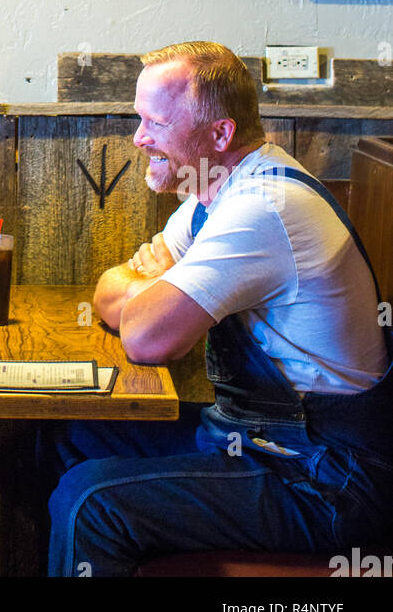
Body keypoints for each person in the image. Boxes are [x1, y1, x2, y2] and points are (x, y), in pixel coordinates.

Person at [43, 41, 392, 577]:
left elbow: (146, 337)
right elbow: (109, 292)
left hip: (326, 477)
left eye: (154, 123)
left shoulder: (263, 207)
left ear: (220, 134)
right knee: (66, 431)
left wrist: (158, 290)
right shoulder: (210, 195)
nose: (139, 139)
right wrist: (150, 291)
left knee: (93, 503)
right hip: (254, 438)